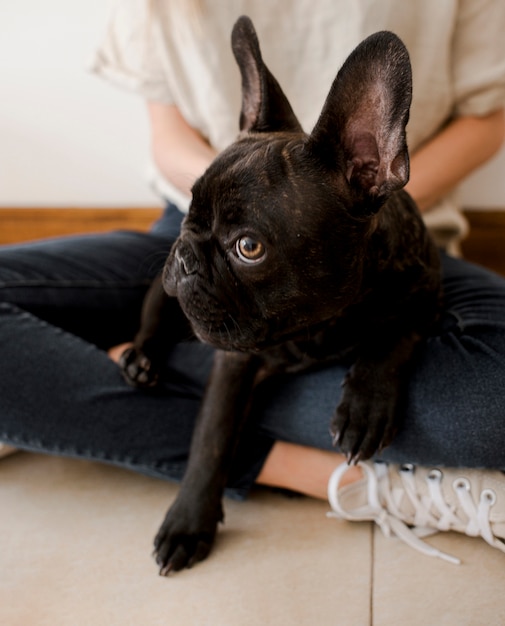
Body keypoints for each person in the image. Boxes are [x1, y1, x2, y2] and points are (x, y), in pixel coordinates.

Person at [2, 0, 505, 563]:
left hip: (354, 238)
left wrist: (384, 362)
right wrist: (230, 220)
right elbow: (169, 142)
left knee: (495, 401)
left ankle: (140, 366)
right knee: (213, 295)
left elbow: (486, 125)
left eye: (249, 247)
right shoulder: (212, 232)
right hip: (204, 226)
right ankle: (326, 462)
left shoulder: (370, 211)